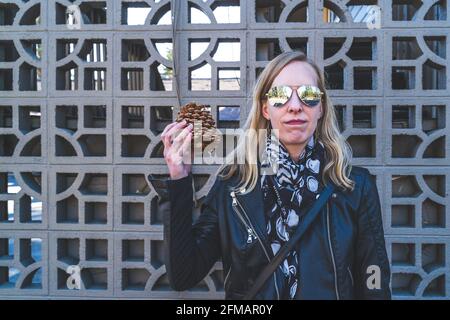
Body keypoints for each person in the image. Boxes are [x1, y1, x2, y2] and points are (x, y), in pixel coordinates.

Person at [160, 51, 391, 300]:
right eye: (280, 95)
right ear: (266, 109)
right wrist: (179, 180)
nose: (295, 106)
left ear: (321, 108)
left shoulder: (354, 186)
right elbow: (184, 274)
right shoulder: (234, 185)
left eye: (308, 95)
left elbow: (373, 275)